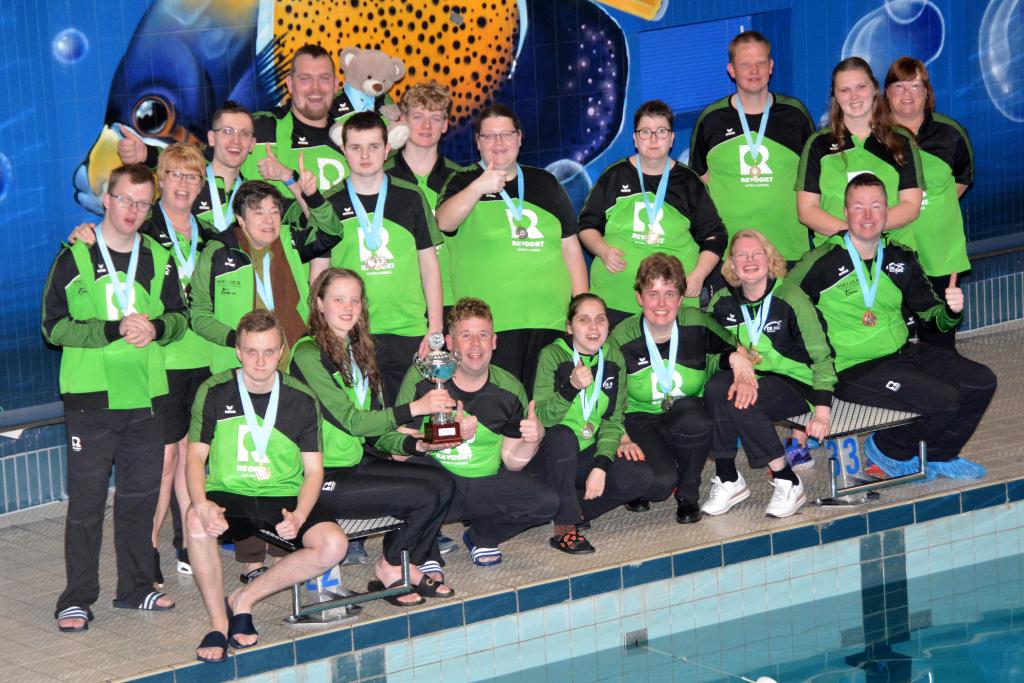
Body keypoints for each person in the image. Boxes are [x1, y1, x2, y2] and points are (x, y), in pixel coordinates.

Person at [42, 163, 187, 632]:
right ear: (107, 199)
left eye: (143, 203)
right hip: (90, 399)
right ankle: (77, 597)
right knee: (86, 504)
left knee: (140, 498)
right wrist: (111, 330)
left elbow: (180, 319)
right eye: (125, 199)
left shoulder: (159, 259)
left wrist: (157, 328)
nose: (133, 211)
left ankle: (137, 588)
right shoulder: (74, 254)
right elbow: (53, 327)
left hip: (146, 398)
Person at [788, 174, 996, 480]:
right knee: (943, 399)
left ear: (887, 211)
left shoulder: (900, 257)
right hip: (851, 368)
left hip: (901, 355)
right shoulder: (821, 261)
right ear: (845, 212)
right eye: (858, 207)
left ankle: (941, 455)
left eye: (876, 206)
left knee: (981, 381)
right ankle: (888, 450)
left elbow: (931, 315)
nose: (868, 216)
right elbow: (783, 301)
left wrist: (951, 311)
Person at [186, 311, 348, 663]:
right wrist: (200, 503)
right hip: (231, 493)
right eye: (252, 351)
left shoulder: (302, 398)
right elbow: (195, 457)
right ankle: (217, 623)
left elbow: (314, 471)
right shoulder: (213, 391)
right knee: (195, 522)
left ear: (281, 352)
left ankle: (243, 600)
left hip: (283, 494)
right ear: (238, 352)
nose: (261, 361)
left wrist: (301, 513)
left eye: (269, 351)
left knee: (333, 545)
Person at [289, 268, 457, 603]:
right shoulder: (307, 355)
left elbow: (378, 432)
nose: (348, 307)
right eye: (339, 299)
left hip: (357, 461)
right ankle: (394, 569)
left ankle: (396, 563)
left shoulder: (359, 350)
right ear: (319, 304)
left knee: (443, 481)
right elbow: (352, 421)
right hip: (319, 476)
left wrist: (416, 443)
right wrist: (415, 408)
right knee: (420, 495)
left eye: (355, 300)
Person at [377, 298, 559, 567]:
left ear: (494, 341)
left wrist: (535, 438)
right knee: (417, 487)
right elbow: (395, 451)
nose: (476, 345)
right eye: (466, 335)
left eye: (483, 335)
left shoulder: (509, 388)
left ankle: (482, 536)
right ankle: (425, 550)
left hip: (481, 486)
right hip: (435, 489)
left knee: (547, 502)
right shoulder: (424, 378)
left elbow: (511, 460)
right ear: (449, 343)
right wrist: (448, 433)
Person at [436, 105, 588, 390]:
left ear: (519, 138)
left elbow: (570, 247)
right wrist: (479, 187)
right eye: (489, 136)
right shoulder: (463, 181)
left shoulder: (546, 183)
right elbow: (444, 221)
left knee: (546, 411)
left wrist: (581, 312)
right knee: (501, 412)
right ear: (478, 142)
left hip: (548, 321)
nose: (499, 143)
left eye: (506, 134)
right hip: (491, 329)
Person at [607, 253, 752, 523]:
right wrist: (622, 436)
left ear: (681, 298)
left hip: (683, 414)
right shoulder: (622, 336)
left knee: (697, 418)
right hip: (639, 417)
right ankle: (644, 475)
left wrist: (737, 359)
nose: (661, 304)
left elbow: (736, 347)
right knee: (660, 484)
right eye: (653, 294)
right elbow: (607, 395)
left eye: (670, 293)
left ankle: (688, 496)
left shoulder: (696, 322)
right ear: (640, 298)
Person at [703, 230, 836, 518]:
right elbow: (710, 357)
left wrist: (822, 412)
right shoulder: (722, 303)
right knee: (716, 389)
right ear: (732, 264)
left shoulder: (791, 298)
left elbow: (822, 358)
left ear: (770, 259)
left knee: (743, 401)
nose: (749, 260)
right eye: (742, 254)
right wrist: (735, 361)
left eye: (757, 253)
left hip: (797, 382)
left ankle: (787, 480)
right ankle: (728, 478)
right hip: (751, 376)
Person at [323, 111, 444, 402]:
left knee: (412, 421)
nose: (365, 155)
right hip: (352, 332)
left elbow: (429, 265)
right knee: (366, 422)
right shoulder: (329, 203)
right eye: (355, 147)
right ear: (343, 150)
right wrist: (325, 331)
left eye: (373, 146)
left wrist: (436, 327)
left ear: (387, 149)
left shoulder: (411, 197)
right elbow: (321, 272)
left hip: (409, 331)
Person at [579, 100, 727, 325]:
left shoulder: (688, 182)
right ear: (635, 139)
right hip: (616, 301)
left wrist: (699, 274)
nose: (654, 138)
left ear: (672, 139)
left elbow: (715, 236)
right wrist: (603, 250)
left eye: (661, 131)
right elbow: (586, 225)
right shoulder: (615, 176)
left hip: (672, 306)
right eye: (646, 132)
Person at [530, 293, 654, 553]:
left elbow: (612, 420)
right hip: (552, 456)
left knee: (640, 477)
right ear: (569, 327)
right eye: (583, 320)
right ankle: (565, 527)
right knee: (563, 435)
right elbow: (544, 417)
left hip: (586, 453)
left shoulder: (614, 359)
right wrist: (571, 387)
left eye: (600, 319)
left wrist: (600, 466)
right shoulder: (552, 355)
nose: (593, 327)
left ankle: (571, 508)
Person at [689, 31, 816, 263]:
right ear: (731, 70)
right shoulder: (711, 119)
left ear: (771, 66)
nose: (754, 70)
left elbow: (816, 179)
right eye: (745, 64)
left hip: (788, 251)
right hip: (728, 255)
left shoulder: (795, 114)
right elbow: (699, 182)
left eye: (760, 63)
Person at [883, 56, 974, 349]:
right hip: (894, 253)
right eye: (899, 86)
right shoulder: (875, 137)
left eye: (915, 85)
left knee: (939, 344)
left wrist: (930, 209)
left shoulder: (951, 133)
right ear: (886, 94)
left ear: (927, 92)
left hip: (939, 255)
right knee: (895, 344)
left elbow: (962, 180)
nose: (907, 94)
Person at [796, 57, 924, 247]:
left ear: (874, 89)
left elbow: (911, 206)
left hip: (892, 252)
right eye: (845, 90)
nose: (854, 96)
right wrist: (851, 234)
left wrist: (867, 231)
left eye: (861, 87)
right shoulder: (818, 144)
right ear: (835, 96)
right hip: (836, 253)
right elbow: (806, 210)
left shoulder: (901, 141)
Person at [385, 80, 463, 321]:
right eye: (418, 116)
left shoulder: (462, 179)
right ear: (403, 120)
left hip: (453, 300)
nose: (427, 125)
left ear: (445, 125)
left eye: (436, 118)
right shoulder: (381, 176)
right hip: (400, 302)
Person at [117, 100, 257, 233]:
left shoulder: (255, 197)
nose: (236, 141)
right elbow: (173, 162)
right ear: (212, 138)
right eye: (227, 131)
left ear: (252, 144)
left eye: (244, 134)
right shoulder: (185, 183)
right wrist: (147, 154)